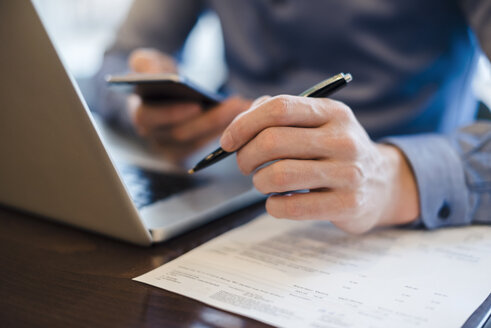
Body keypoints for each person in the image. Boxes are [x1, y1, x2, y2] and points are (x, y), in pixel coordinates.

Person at [93, 0, 490, 234]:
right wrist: (140, 106)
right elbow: (118, 59)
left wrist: (395, 178)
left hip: (404, 222)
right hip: (224, 193)